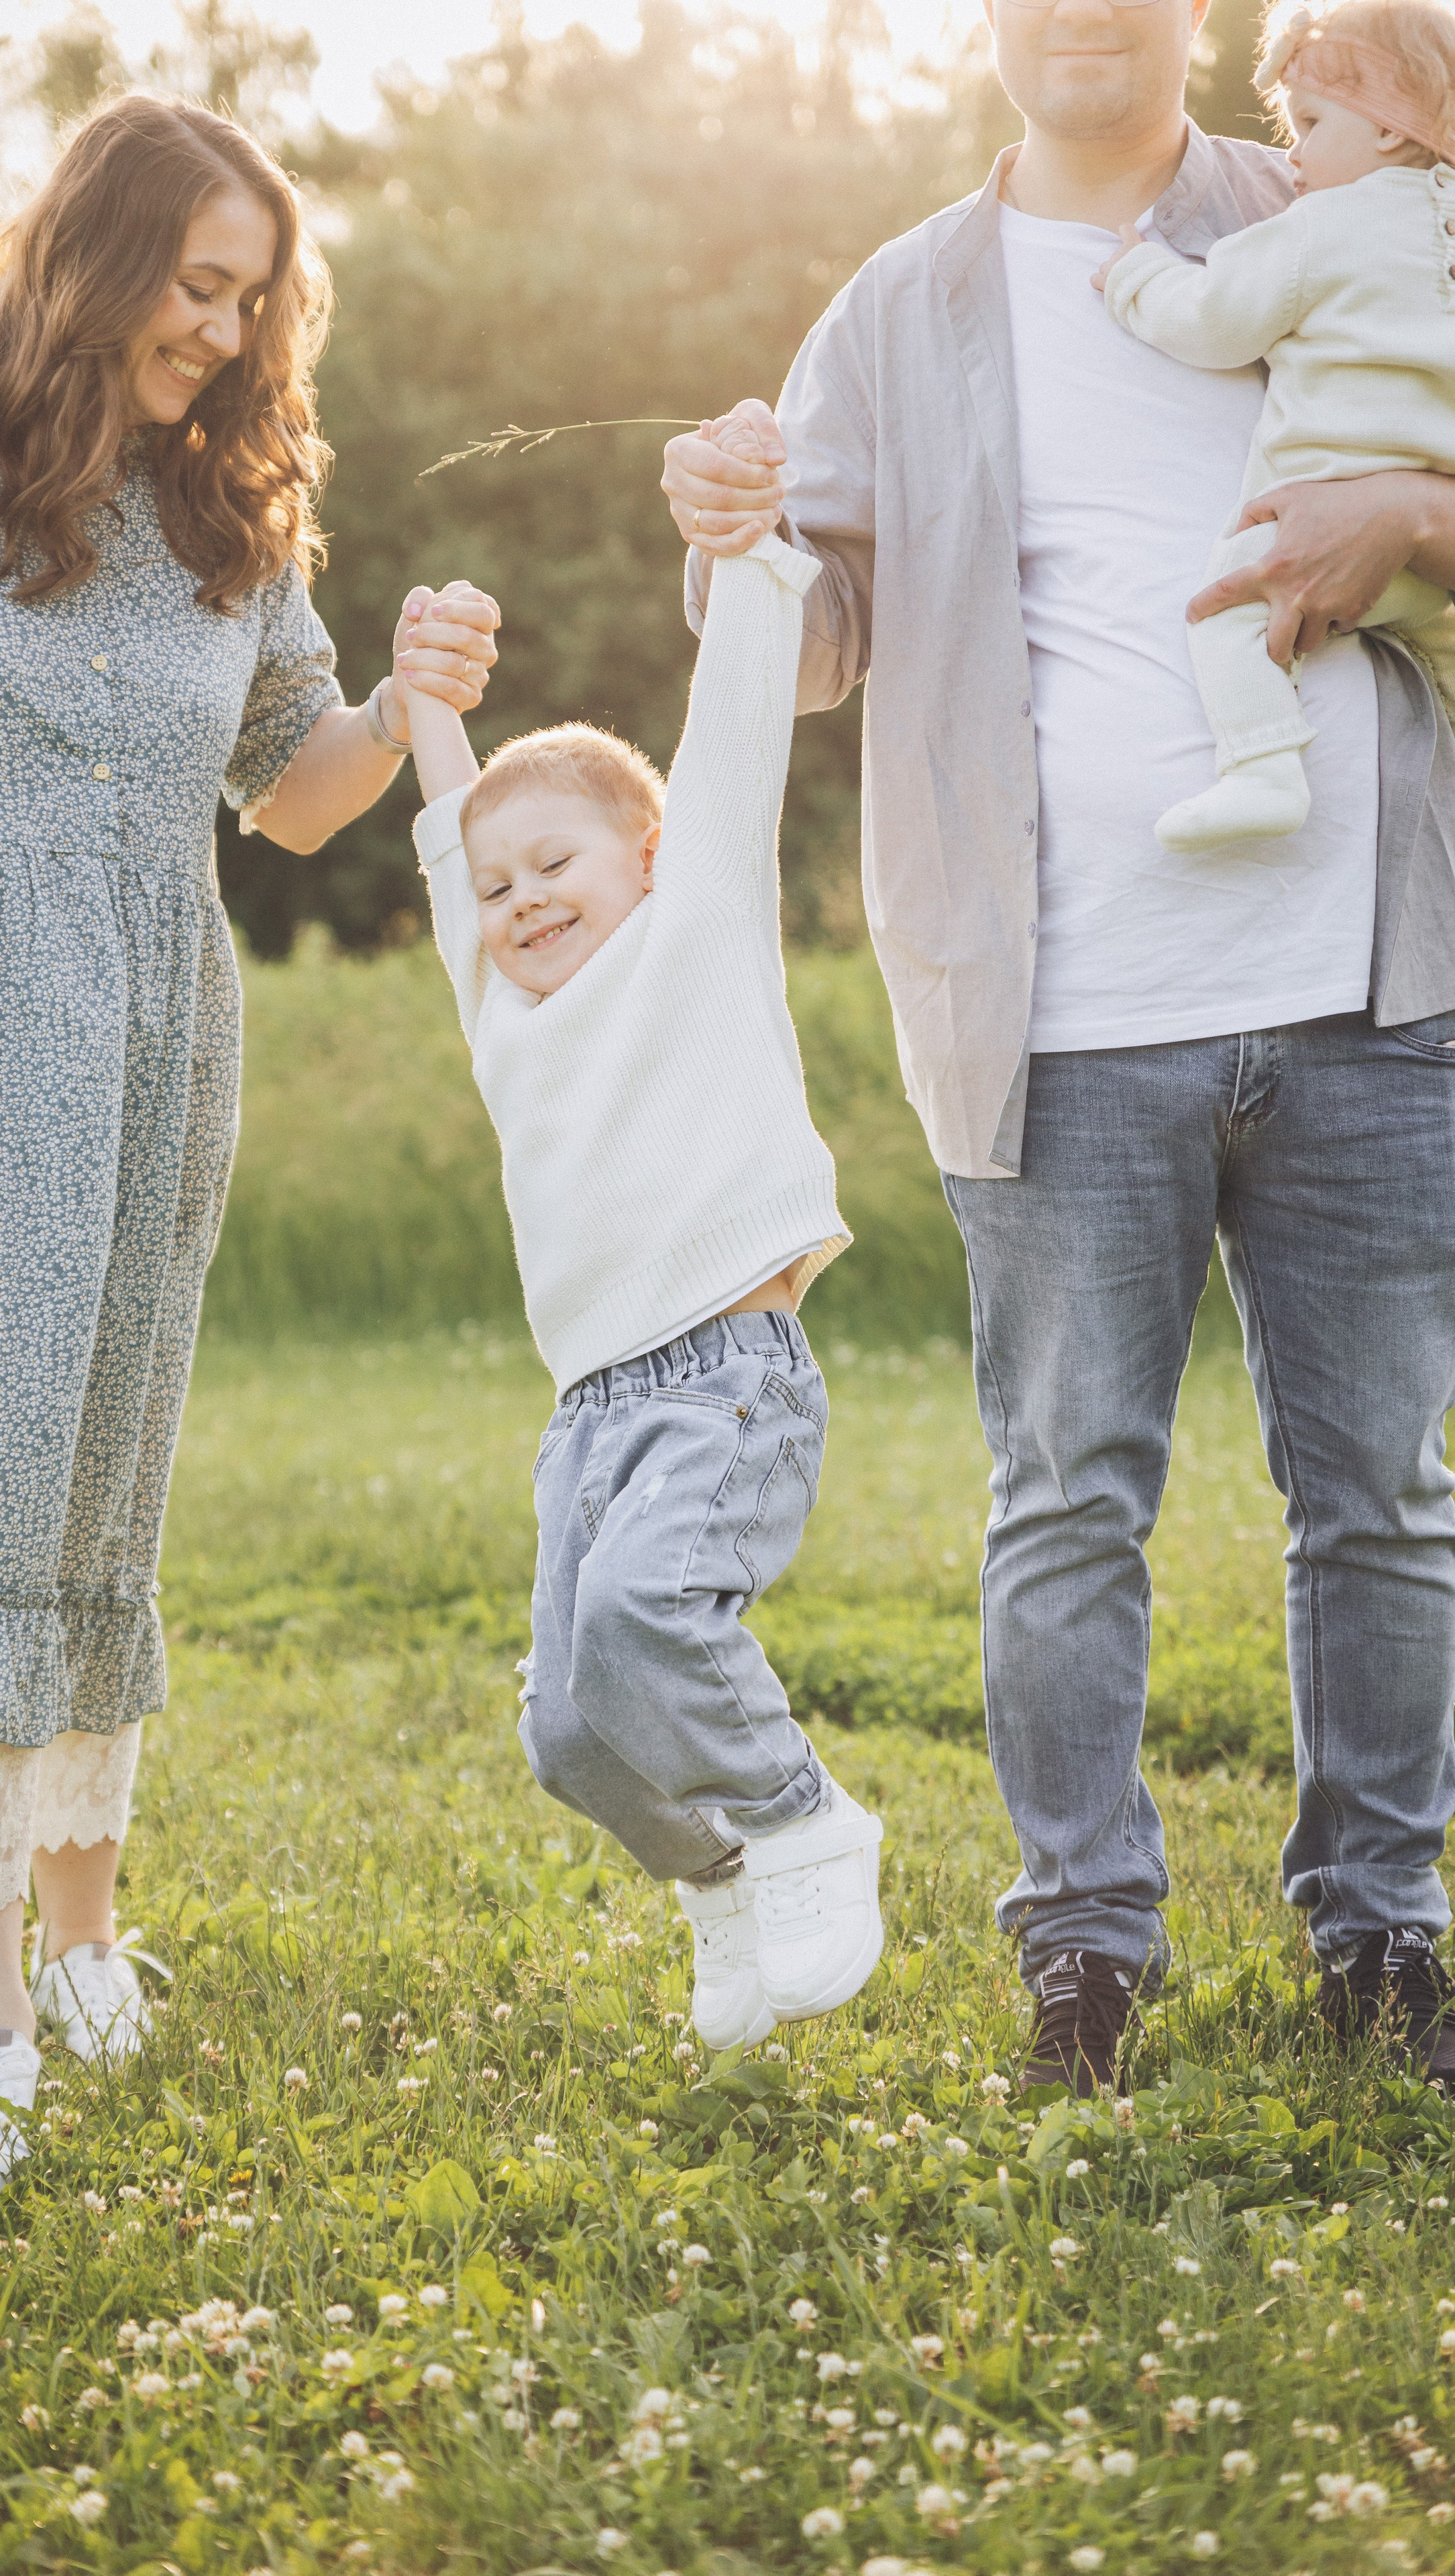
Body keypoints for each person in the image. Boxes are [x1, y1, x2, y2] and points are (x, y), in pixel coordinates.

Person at [661, 0, 1455, 2095]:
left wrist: (1417, 526)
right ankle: (1083, 1944)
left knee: (1376, 1491)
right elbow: (812, 642)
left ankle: (1382, 1930)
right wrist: (726, 522)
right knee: (1064, 1498)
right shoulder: (891, 311)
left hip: (1365, 985)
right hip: (1054, 1010)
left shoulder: (1349, 194)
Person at [0, 94, 499, 2186]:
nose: (224, 331)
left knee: (84, 1494)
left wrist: (419, 698)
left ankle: (80, 1946)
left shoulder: (227, 503)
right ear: (91, 255)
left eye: (255, 298)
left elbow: (299, 790)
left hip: (140, 1049)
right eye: (196, 283)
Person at [395, 465, 887, 2054]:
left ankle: (804, 1816)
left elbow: (736, 733)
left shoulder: (698, 922)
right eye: (502, 884)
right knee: (562, 1725)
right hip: (587, 1414)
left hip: (724, 1378)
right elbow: (442, 837)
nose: (524, 896)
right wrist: (422, 703)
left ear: (648, 858)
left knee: (640, 1618)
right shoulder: (502, 1011)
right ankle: (720, 1875)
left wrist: (741, 559)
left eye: (558, 864)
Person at [1097, 0, 1455, 851]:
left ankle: (1261, 769)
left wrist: (1134, 275)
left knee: (1224, 612)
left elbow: (1214, 318)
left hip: (1312, 529)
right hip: (1432, 560)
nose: (1291, 151)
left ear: (1384, 129)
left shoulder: (1318, 227)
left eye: (1311, 121)